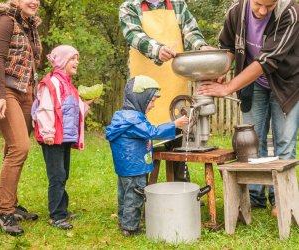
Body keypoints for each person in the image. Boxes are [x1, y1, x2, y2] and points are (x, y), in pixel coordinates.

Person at [198, 0, 299, 217]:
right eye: (259, 4)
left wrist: (228, 87)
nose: (262, 11)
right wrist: (221, 67)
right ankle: (254, 196)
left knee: (284, 142)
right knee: (252, 141)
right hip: (253, 85)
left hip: (287, 84)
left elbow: (267, 61)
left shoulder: (291, 13)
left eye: (269, 7)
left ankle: (282, 199)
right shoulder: (236, 12)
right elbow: (228, 48)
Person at [119, 0, 212, 182]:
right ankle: (138, 189)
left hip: (174, 84)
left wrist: (202, 47)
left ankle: (181, 189)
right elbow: (134, 35)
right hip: (142, 90)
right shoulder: (130, 6)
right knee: (140, 141)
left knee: (178, 141)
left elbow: (191, 31)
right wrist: (157, 49)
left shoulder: (177, 4)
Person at [105, 75, 189, 236]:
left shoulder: (124, 117)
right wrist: (174, 124)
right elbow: (152, 132)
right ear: (140, 99)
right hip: (135, 166)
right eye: (151, 101)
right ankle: (131, 228)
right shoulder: (134, 120)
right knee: (135, 196)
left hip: (125, 167)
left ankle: (123, 222)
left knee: (124, 194)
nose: (153, 105)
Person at [32, 45, 91, 230]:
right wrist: (48, 132)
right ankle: (56, 215)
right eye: (73, 58)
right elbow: (46, 108)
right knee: (57, 175)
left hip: (64, 137)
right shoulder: (52, 83)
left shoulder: (69, 85)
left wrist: (85, 105)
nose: (77, 62)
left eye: (77, 58)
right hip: (53, 137)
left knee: (63, 174)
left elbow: (73, 110)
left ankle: (62, 209)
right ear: (63, 61)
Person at [0, 0, 42, 236]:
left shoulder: (30, 26)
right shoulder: (6, 20)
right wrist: (0, 95)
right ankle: (3, 211)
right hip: (7, 91)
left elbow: (31, 62)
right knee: (20, 148)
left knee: (12, 150)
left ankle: (10, 203)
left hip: (26, 92)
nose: (34, 1)